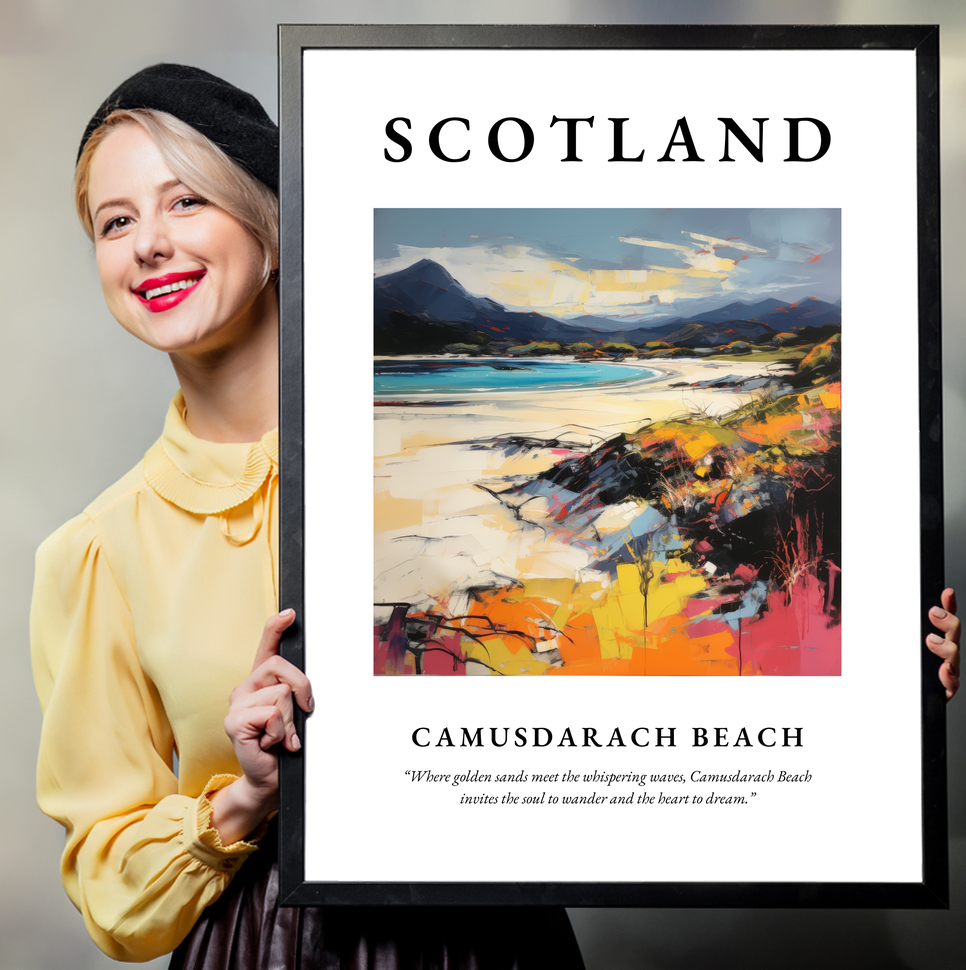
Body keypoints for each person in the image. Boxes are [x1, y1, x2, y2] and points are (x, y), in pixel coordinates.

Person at [30, 64, 585, 968]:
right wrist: (245, 796)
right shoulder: (97, 551)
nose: (148, 245)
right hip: (263, 945)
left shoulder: (457, 463)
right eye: (116, 221)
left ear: (273, 228)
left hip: (493, 936)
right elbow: (110, 888)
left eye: (186, 203)